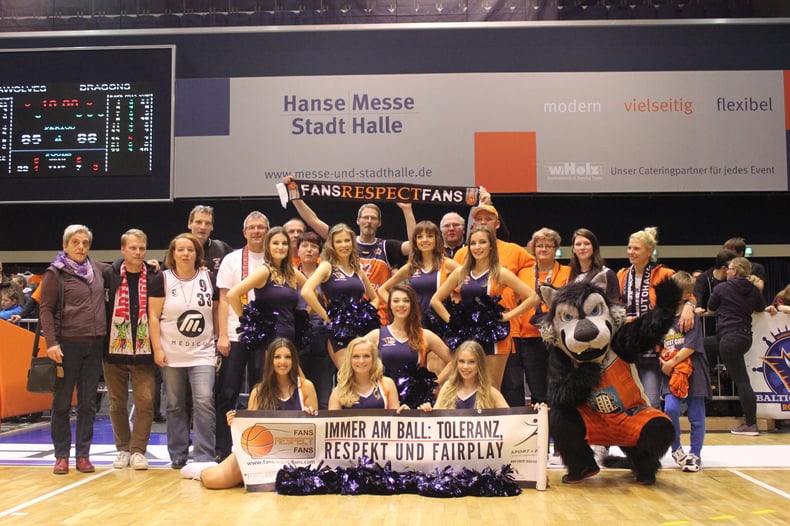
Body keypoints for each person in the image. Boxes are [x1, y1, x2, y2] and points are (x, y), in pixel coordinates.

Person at [180, 338, 318, 488]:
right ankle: (202, 470)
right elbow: (251, 432)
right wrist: (236, 421)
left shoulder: (306, 387)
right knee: (213, 481)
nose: (282, 361)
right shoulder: (258, 392)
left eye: (288, 357)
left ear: (294, 360)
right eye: (277, 357)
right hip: (262, 455)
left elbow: (317, 430)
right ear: (270, 360)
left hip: (295, 455)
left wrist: (311, 415)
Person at [282, 175, 416, 317]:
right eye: (365, 217)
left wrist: (407, 210)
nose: (369, 221)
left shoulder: (386, 247)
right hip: (342, 319)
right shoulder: (343, 240)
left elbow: (415, 245)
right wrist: (294, 195)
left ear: (379, 223)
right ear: (358, 220)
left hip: (378, 317)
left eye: (373, 218)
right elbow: (313, 220)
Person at [432, 225, 540, 390]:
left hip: (494, 335)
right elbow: (436, 300)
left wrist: (508, 316)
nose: (477, 247)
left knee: (490, 388)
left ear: (491, 246)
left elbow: (533, 297)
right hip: (467, 334)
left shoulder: (500, 273)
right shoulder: (460, 272)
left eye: (482, 242)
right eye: (473, 243)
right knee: (465, 386)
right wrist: (453, 322)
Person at [39, 224, 108, 475]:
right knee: (62, 403)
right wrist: (51, 343)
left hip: (94, 345)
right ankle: (61, 456)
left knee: (89, 403)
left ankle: (83, 455)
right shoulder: (54, 273)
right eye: (76, 242)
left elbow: (127, 270)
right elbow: (45, 310)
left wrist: (150, 266)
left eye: (85, 243)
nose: (81, 247)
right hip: (66, 346)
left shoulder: (99, 269)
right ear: (65, 245)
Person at [149, 233, 219, 469]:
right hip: (171, 352)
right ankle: (178, 454)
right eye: (181, 249)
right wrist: (157, 348)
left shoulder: (209, 277)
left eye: (190, 249)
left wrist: (220, 339)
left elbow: (218, 310)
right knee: (176, 404)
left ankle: (204, 454)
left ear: (197, 253)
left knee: (204, 400)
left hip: (203, 352)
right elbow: (153, 316)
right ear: (173, 253)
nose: (185, 253)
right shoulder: (161, 279)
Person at [616, 226, 694, 409]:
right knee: (628, 401)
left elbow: (688, 295)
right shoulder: (622, 275)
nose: (631, 252)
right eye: (629, 248)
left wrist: (690, 306)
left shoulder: (665, 274)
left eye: (636, 248)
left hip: (654, 349)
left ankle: (656, 436)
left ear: (649, 251)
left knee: (651, 401)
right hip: (628, 349)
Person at [213, 211, 269, 461]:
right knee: (227, 392)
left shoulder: (275, 259)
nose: (257, 231)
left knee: (262, 391)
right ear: (244, 232)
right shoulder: (232, 260)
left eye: (261, 227)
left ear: (268, 231)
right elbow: (224, 298)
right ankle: (223, 449)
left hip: (265, 337)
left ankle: (259, 447)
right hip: (235, 335)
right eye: (252, 228)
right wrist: (222, 335)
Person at [102, 228, 158, 471]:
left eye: (142, 248)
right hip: (113, 351)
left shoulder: (155, 275)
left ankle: (138, 451)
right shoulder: (108, 275)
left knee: (145, 403)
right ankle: (123, 448)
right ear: (123, 249)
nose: (138, 252)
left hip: (145, 352)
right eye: (133, 248)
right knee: (117, 403)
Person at [708, 257, 777, 436]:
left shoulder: (721, 288)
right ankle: (750, 423)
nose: (727, 271)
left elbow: (711, 307)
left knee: (741, 381)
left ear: (735, 271)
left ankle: (751, 424)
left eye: (729, 269)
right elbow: (760, 308)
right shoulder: (753, 290)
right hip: (745, 337)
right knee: (742, 380)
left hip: (728, 337)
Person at [505, 228, 571, 407]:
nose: (543, 249)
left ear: (556, 248)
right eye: (539, 245)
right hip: (529, 337)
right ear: (533, 249)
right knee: (537, 391)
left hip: (557, 338)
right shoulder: (523, 272)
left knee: (558, 385)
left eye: (548, 246)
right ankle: (541, 430)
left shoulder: (567, 272)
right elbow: (514, 300)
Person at [227, 226, 306, 373]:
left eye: (284, 243)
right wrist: (250, 323)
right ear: (268, 246)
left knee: (293, 384)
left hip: (290, 335)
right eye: (275, 243)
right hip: (271, 339)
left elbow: (311, 291)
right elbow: (232, 295)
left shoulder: (292, 273)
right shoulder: (264, 271)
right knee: (274, 384)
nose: (280, 247)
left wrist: (305, 315)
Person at [301, 223, 379, 369]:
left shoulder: (358, 269)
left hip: (360, 330)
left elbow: (375, 298)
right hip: (338, 331)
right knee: (347, 375)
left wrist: (365, 315)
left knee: (363, 375)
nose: (344, 245)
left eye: (347, 240)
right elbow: (306, 291)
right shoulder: (327, 266)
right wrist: (326, 316)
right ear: (332, 245)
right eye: (338, 241)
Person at [364, 283, 453, 405]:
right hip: (383, 398)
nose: (401, 305)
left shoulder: (425, 335)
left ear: (412, 305)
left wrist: (435, 383)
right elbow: (352, 356)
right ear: (390, 305)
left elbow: (453, 360)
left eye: (406, 301)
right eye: (396, 301)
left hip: (413, 401)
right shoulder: (376, 335)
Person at [660, 272, 712, 473]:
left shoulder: (691, 318)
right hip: (672, 371)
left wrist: (671, 362)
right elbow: (660, 343)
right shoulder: (664, 315)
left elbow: (690, 347)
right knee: (670, 409)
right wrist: (662, 358)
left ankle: (696, 453)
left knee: (696, 414)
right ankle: (676, 449)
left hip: (693, 368)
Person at [378, 220, 459, 333]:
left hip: (441, 324)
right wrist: (399, 308)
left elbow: (467, 285)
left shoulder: (449, 264)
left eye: (430, 236)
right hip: (416, 324)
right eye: (420, 237)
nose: (425, 240)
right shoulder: (411, 267)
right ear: (415, 241)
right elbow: (382, 289)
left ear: (437, 239)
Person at [295, 231, 334, 410]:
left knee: (323, 394)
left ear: (320, 250)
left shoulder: (327, 273)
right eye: (304, 246)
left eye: (313, 246)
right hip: (297, 335)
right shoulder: (291, 274)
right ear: (297, 250)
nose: (309, 250)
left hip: (322, 333)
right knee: (300, 391)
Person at [419, 340, 509, 410]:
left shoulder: (490, 392)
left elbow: (512, 419)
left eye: (471, 362)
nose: (465, 367)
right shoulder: (447, 388)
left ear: (480, 364)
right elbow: (435, 419)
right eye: (461, 361)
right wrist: (427, 410)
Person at [328, 337, 405, 410]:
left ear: (374, 359)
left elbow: (396, 418)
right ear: (349, 360)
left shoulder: (387, 384)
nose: (361, 361)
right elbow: (331, 422)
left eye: (366, 356)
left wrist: (406, 414)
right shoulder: (339, 391)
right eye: (356, 356)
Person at [568, 228, 620, 302]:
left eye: (587, 244)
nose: (582, 247)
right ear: (573, 249)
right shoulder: (568, 274)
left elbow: (615, 306)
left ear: (594, 247)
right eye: (578, 244)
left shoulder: (607, 274)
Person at [187, 204, 233, 284]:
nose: (203, 227)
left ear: (212, 227)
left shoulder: (222, 248)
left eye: (207, 223)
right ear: (190, 224)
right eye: (199, 222)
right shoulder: (178, 249)